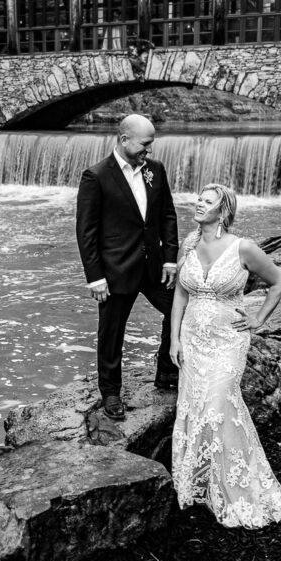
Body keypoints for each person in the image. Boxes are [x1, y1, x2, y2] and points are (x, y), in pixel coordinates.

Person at [169, 183, 281, 528]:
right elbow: (181, 296)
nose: (198, 204)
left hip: (228, 340)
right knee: (193, 408)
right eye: (198, 199)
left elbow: (278, 281)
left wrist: (259, 318)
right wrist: (173, 340)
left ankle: (236, 489)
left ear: (223, 211)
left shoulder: (243, 247)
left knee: (217, 406)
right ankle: (198, 483)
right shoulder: (189, 244)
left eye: (207, 201)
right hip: (193, 340)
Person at [76, 114, 180, 421]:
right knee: (112, 333)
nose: (149, 149)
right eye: (145, 143)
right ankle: (110, 393)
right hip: (115, 270)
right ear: (124, 140)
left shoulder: (156, 170)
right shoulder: (96, 176)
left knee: (180, 311)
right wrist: (94, 277)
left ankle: (166, 372)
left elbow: (168, 215)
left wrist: (171, 257)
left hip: (154, 266)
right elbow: (86, 232)